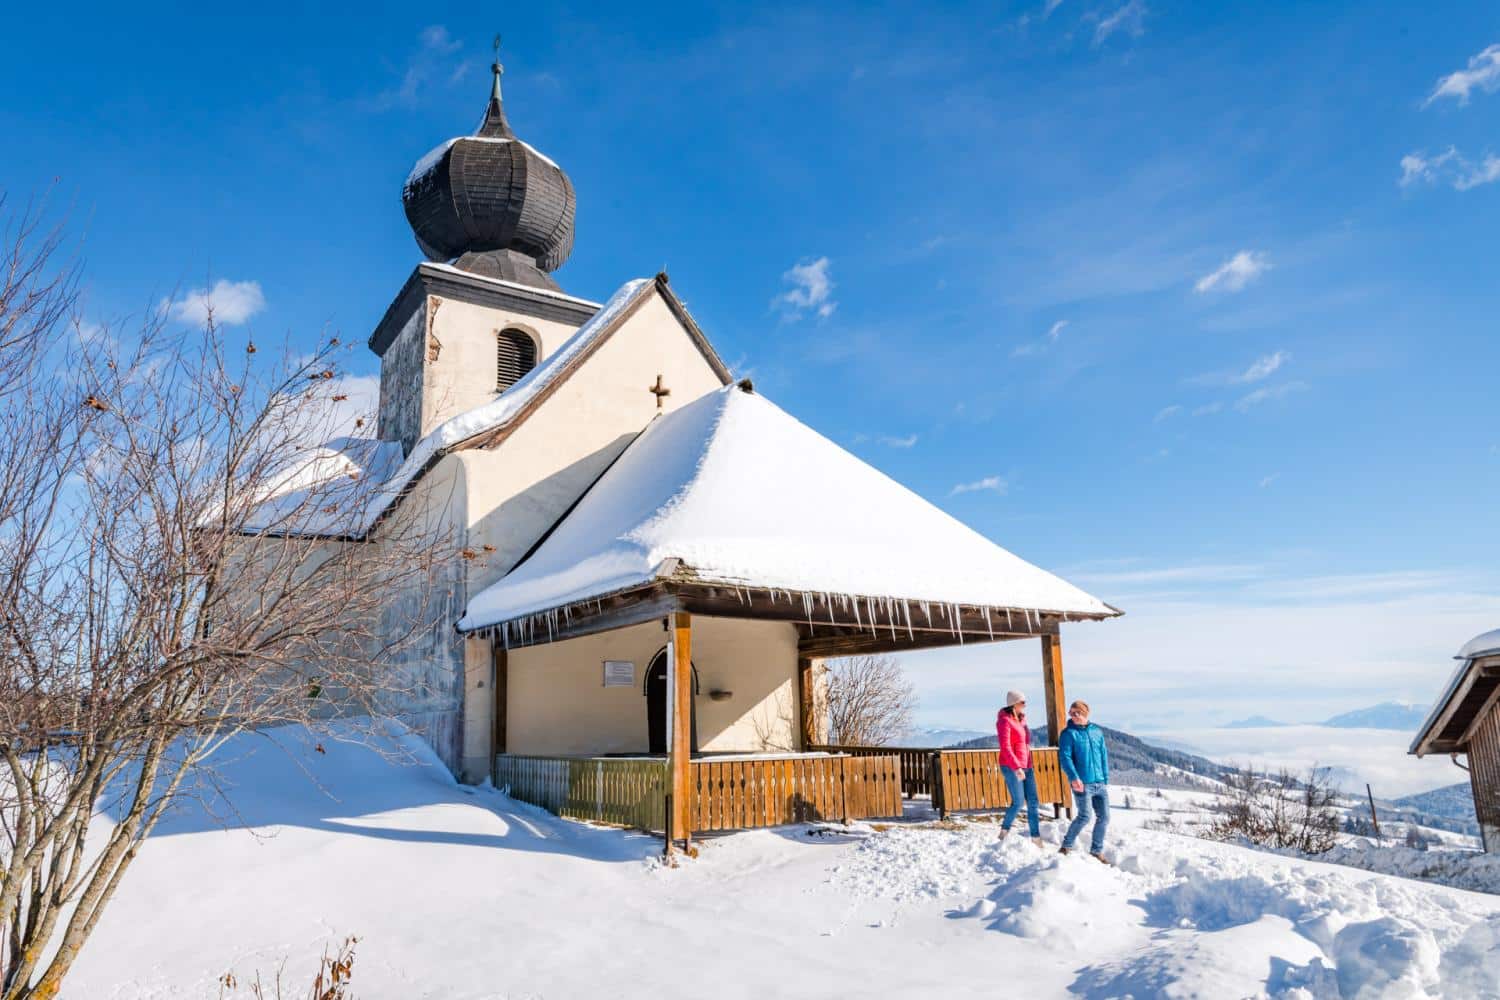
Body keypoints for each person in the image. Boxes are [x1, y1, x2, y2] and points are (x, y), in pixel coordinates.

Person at [1057, 699, 1110, 861]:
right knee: (1085, 816)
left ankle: (1096, 850)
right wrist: (1074, 778)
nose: (1074, 716)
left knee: (1105, 817)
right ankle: (1066, 846)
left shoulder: (1097, 732)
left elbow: (1103, 755)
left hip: (1099, 782)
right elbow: (1065, 758)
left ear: (1085, 714)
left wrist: (1105, 778)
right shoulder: (1068, 734)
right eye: (1071, 713)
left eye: (1077, 713)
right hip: (1082, 783)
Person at [996, 689, 1043, 846]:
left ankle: (1036, 838)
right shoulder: (1004, 721)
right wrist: (1016, 767)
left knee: (1033, 801)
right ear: (1013, 704)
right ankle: (1004, 833)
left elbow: (1025, 743)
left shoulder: (1022, 720)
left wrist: (1027, 764)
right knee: (1018, 802)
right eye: (1022, 702)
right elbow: (1005, 747)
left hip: (1027, 765)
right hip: (1011, 766)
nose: (1025, 705)